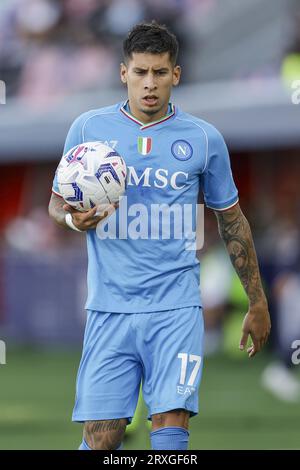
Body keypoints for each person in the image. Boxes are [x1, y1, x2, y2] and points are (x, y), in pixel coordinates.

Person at [48, 21, 271, 451]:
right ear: (123, 73)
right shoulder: (87, 130)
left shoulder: (204, 139)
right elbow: (57, 204)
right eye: (141, 72)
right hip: (109, 307)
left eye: (160, 73)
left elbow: (233, 221)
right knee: (103, 439)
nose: (150, 84)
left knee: (170, 425)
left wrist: (258, 303)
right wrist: (75, 222)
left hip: (176, 308)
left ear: (176, 75)